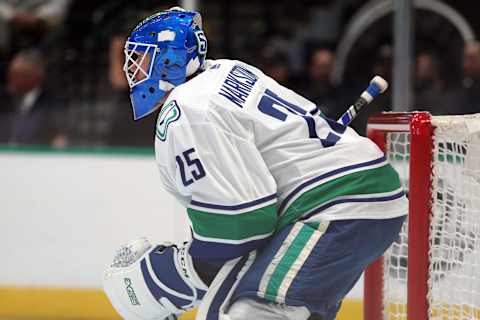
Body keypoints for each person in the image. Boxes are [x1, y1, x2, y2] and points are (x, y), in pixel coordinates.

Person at [102, 7, 407, 320]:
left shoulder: (188, 108)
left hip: (334, 204)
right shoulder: (225, 71)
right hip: (355, 196)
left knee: (244, 312)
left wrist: (169, 276)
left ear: (168, 60)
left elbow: (242, 224)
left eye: (140, 59)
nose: (133, 70)